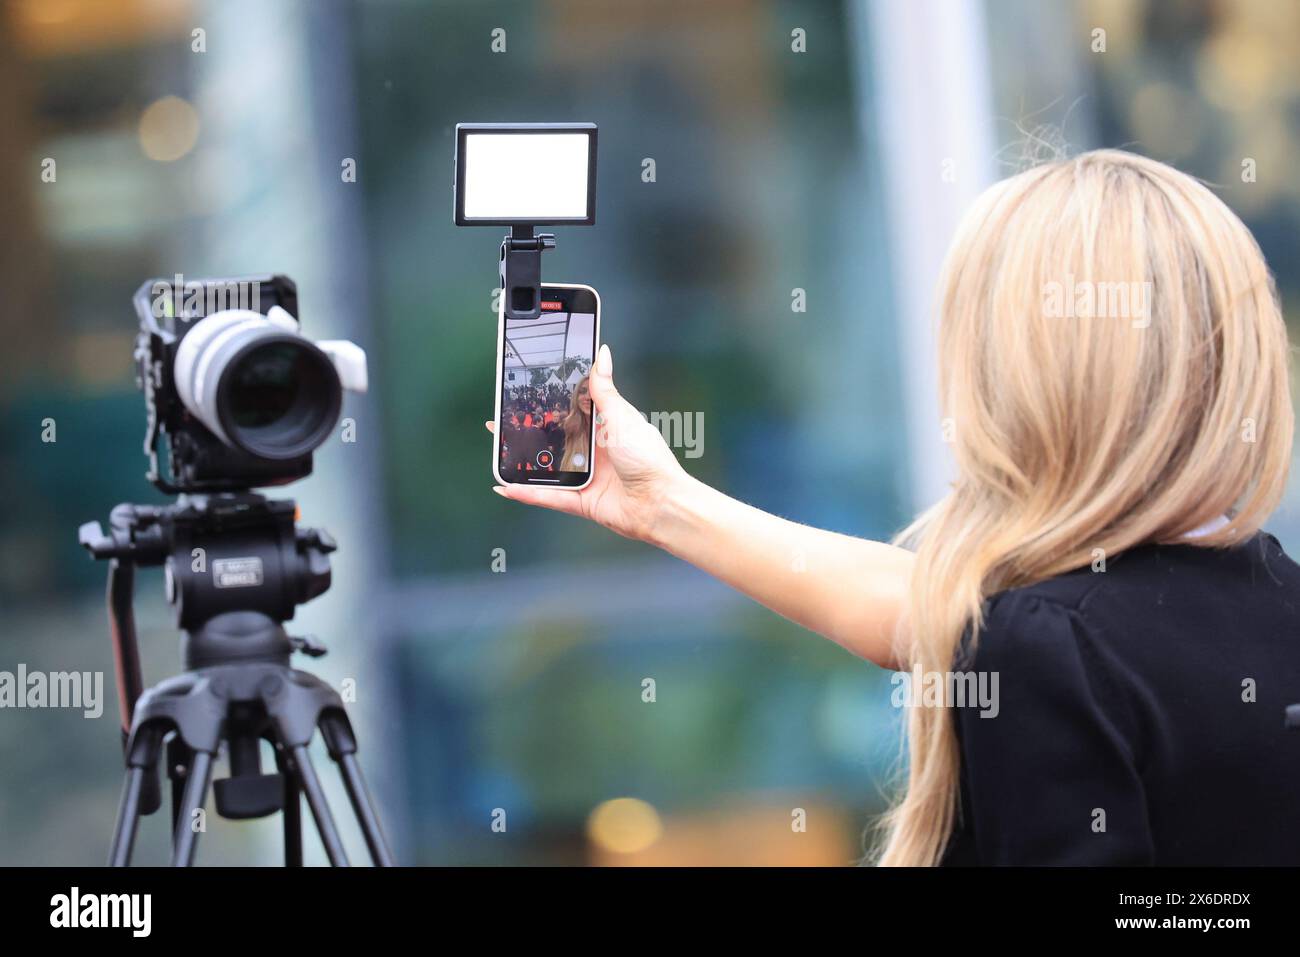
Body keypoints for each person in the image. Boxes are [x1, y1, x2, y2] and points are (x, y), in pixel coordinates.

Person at [487, 150, 1300, 866]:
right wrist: (663, 500)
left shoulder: (1046, 644)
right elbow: (929, 608)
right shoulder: (1267, 594)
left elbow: (1002, 634)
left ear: (1032, 375)